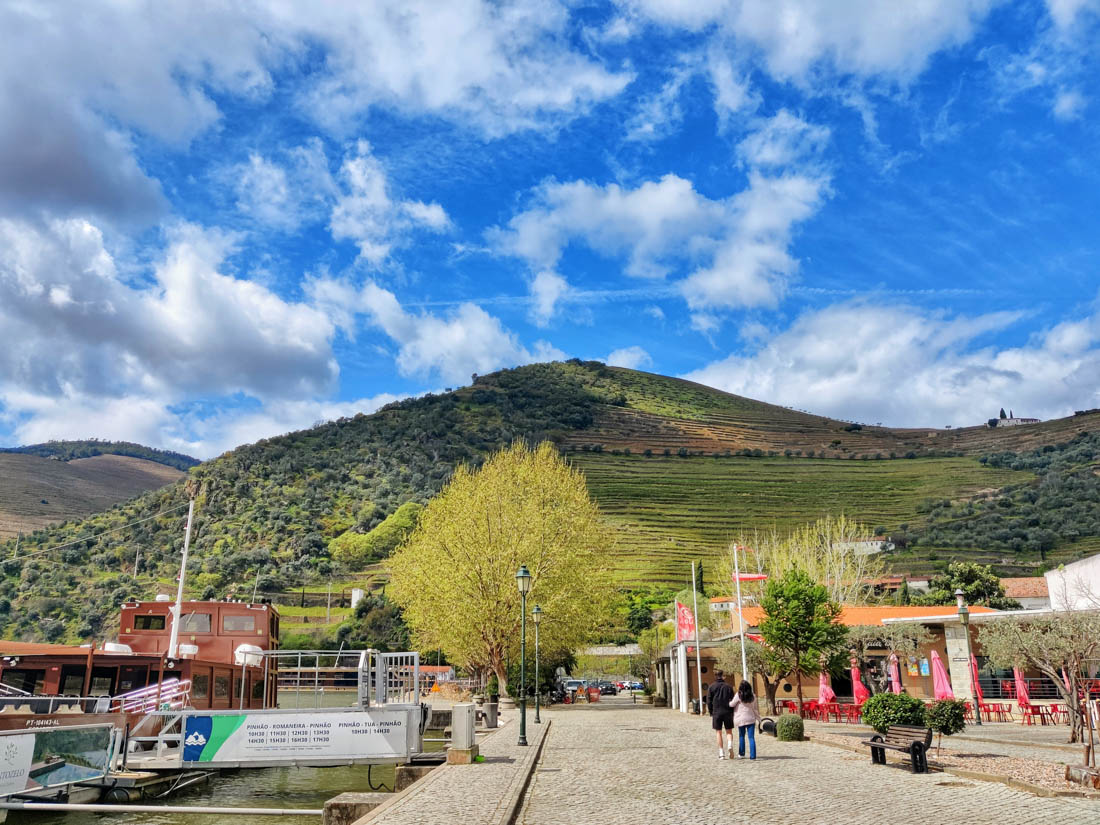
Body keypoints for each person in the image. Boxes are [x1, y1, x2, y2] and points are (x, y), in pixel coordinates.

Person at [706, 669, 735, 759]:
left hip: (717, 712)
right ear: (722, 675)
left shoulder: (711, 687)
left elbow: (709, 701)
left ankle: (721, 752)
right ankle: (730, 744)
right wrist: (732, 710)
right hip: (727, 711)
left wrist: (711, 711)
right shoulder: (728, 687)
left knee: (718, 732)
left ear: (715, 676)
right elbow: (733, 700)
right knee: (729, 730)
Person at [729, 680, 760, 760]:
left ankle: (741, 753)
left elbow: (732, 704)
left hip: (741, 718)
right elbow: (755, 708)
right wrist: (758, 718)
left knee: (741, 736)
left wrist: (728, 702)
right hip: (750, 718)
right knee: (751, 738)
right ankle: (753, 756)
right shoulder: (753, 696)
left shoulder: (738, 695)